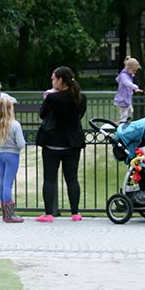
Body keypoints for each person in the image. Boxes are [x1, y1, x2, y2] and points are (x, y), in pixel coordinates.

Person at [35, 66, 87, 223]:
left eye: (53, 78)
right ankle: (75, 213)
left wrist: (48, 98)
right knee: (72, 178)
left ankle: (49, 213)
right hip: (72, 143)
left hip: (52, 143)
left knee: (50, 178)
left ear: (60, 80)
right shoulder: (80, 97)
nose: (52, 81)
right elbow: (80, 115)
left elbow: (42, 114)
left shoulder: (52, 98)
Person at [0, 97, 25, 222]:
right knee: (8, 184)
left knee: (3, 183)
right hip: (12, 155)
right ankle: (10, 215)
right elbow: (20, 143)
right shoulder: (15, 125)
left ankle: (5, 213)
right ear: (10, 109)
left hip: (1, 154)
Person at [114, 57, 143, 124]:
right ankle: (122, 125)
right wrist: (135, 87)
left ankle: (127, 123)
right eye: (133, 70)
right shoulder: (124, 76)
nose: (134, 73)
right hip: (123, 99)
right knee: (124, 114)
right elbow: (127, 83)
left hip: (127, 98)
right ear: (128, 68)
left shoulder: (128, 74)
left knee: (130, 111)